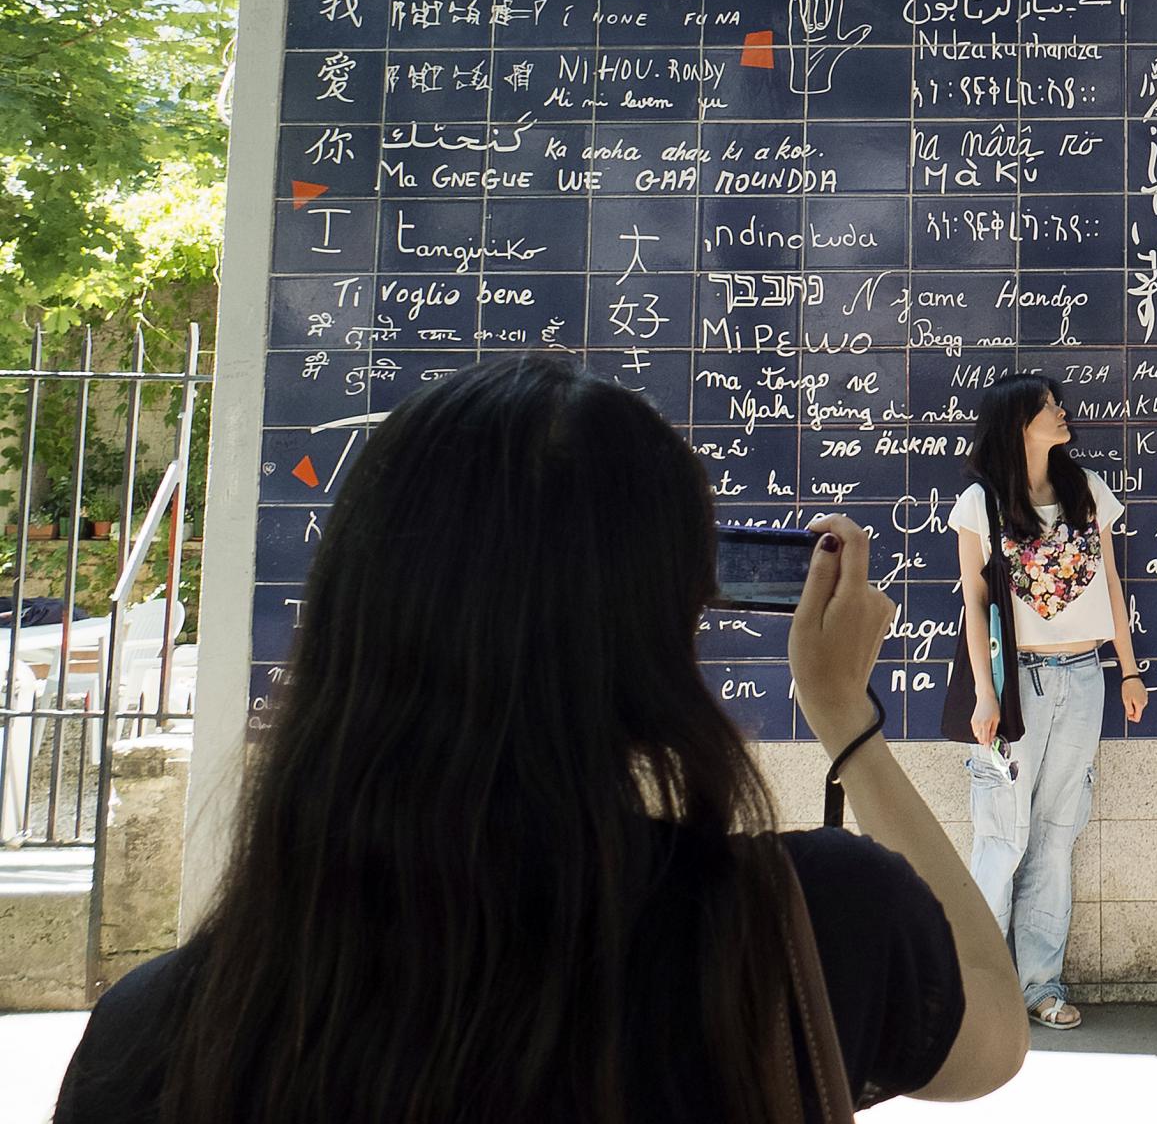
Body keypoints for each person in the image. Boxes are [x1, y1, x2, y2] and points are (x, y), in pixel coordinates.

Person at [54, 353, 1026, 1123]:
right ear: (664, 623)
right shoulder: (804, 928)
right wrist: (845, 721)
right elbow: (991, 1028)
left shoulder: (157, 1031)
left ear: (353, 613)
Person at [944, 372, 1145, 1031]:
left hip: (1084, 676)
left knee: (1057, 834)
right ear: (1018, 423)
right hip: (1015, 684)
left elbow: (1112, 582)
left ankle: (1039, 984)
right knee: (1003, 834)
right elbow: (974, 605)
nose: (1062, 412)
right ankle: (976, 987)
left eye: (1058, 404)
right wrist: (984, 691)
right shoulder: (982, 503)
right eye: (1048, 406)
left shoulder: (1087, 490)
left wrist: (1129, 670)